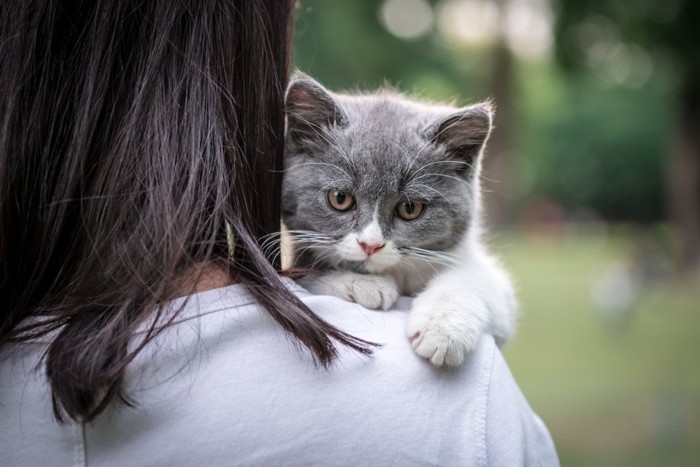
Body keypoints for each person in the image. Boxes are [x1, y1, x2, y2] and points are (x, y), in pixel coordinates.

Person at [0, 0, 559, 465]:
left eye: (408, 209)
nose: (370, 239)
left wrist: (452, 301)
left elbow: (489, 297)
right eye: (341, 200)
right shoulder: (469, 414)